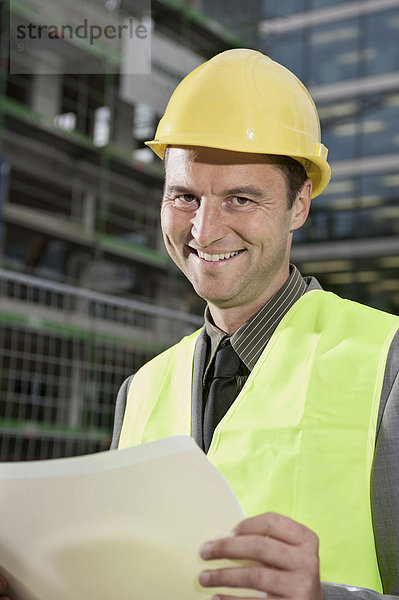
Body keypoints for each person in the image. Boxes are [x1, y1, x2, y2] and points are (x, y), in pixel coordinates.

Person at [110, 49, 399, 599]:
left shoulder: (390, 365)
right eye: (184, 196)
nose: (204, 230)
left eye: (240, 199)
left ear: (298, 206)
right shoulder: (140, 390)